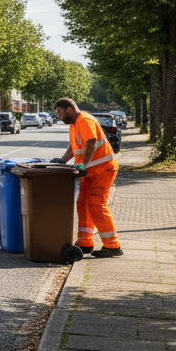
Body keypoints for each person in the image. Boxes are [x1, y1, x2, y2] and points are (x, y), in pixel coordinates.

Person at [52, 98, 122, 257]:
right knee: (82, 203)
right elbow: (74, 147)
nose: (59, 116)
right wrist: (62, 160)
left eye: (60, 112)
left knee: (96, 204)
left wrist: (83, 164)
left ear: (69, 109)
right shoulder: (74, 125)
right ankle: (85, 242)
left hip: (103, 169)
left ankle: (112, 245)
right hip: (89, 171)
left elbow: (91, 142)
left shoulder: (84, 120)